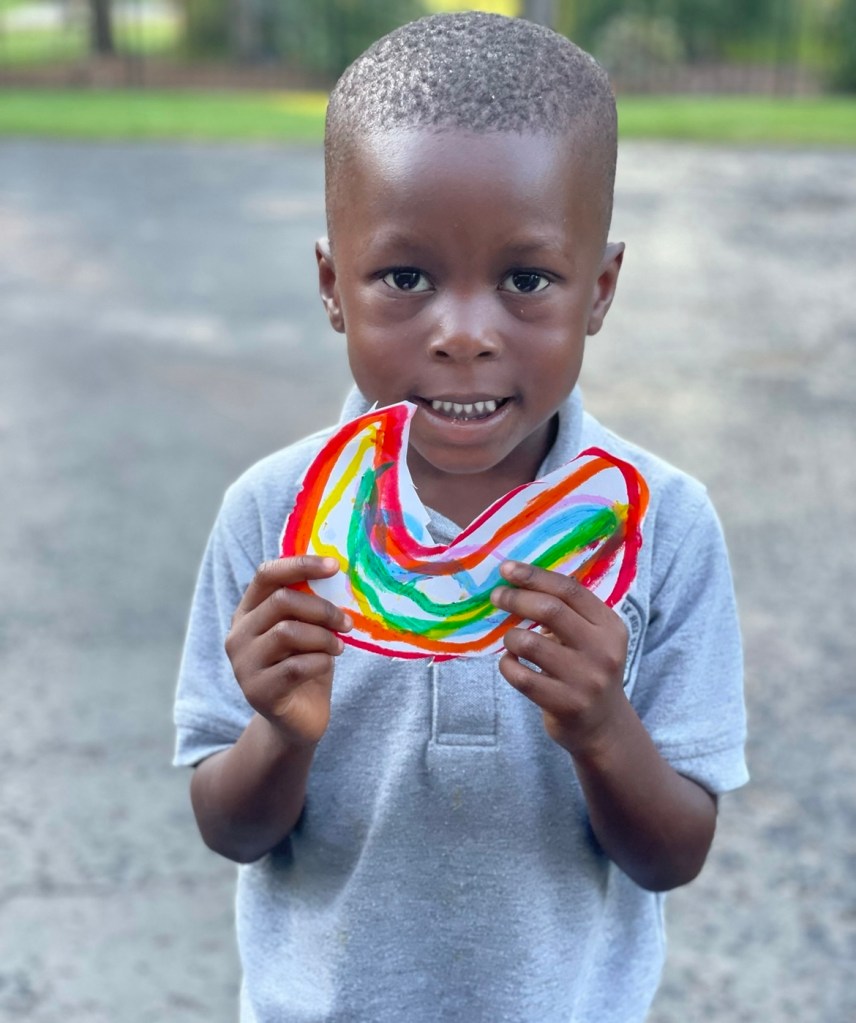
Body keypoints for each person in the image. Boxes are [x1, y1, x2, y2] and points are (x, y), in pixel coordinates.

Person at [173, 12, 748, 1023]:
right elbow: (230, 828)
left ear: (600, 290)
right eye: (406, 278)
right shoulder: (275, 517)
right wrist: (281, 734)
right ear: (332, 287)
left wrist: (603, 728)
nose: (465, 335)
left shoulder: (662, 526)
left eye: (527, 280)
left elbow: (673, 855)